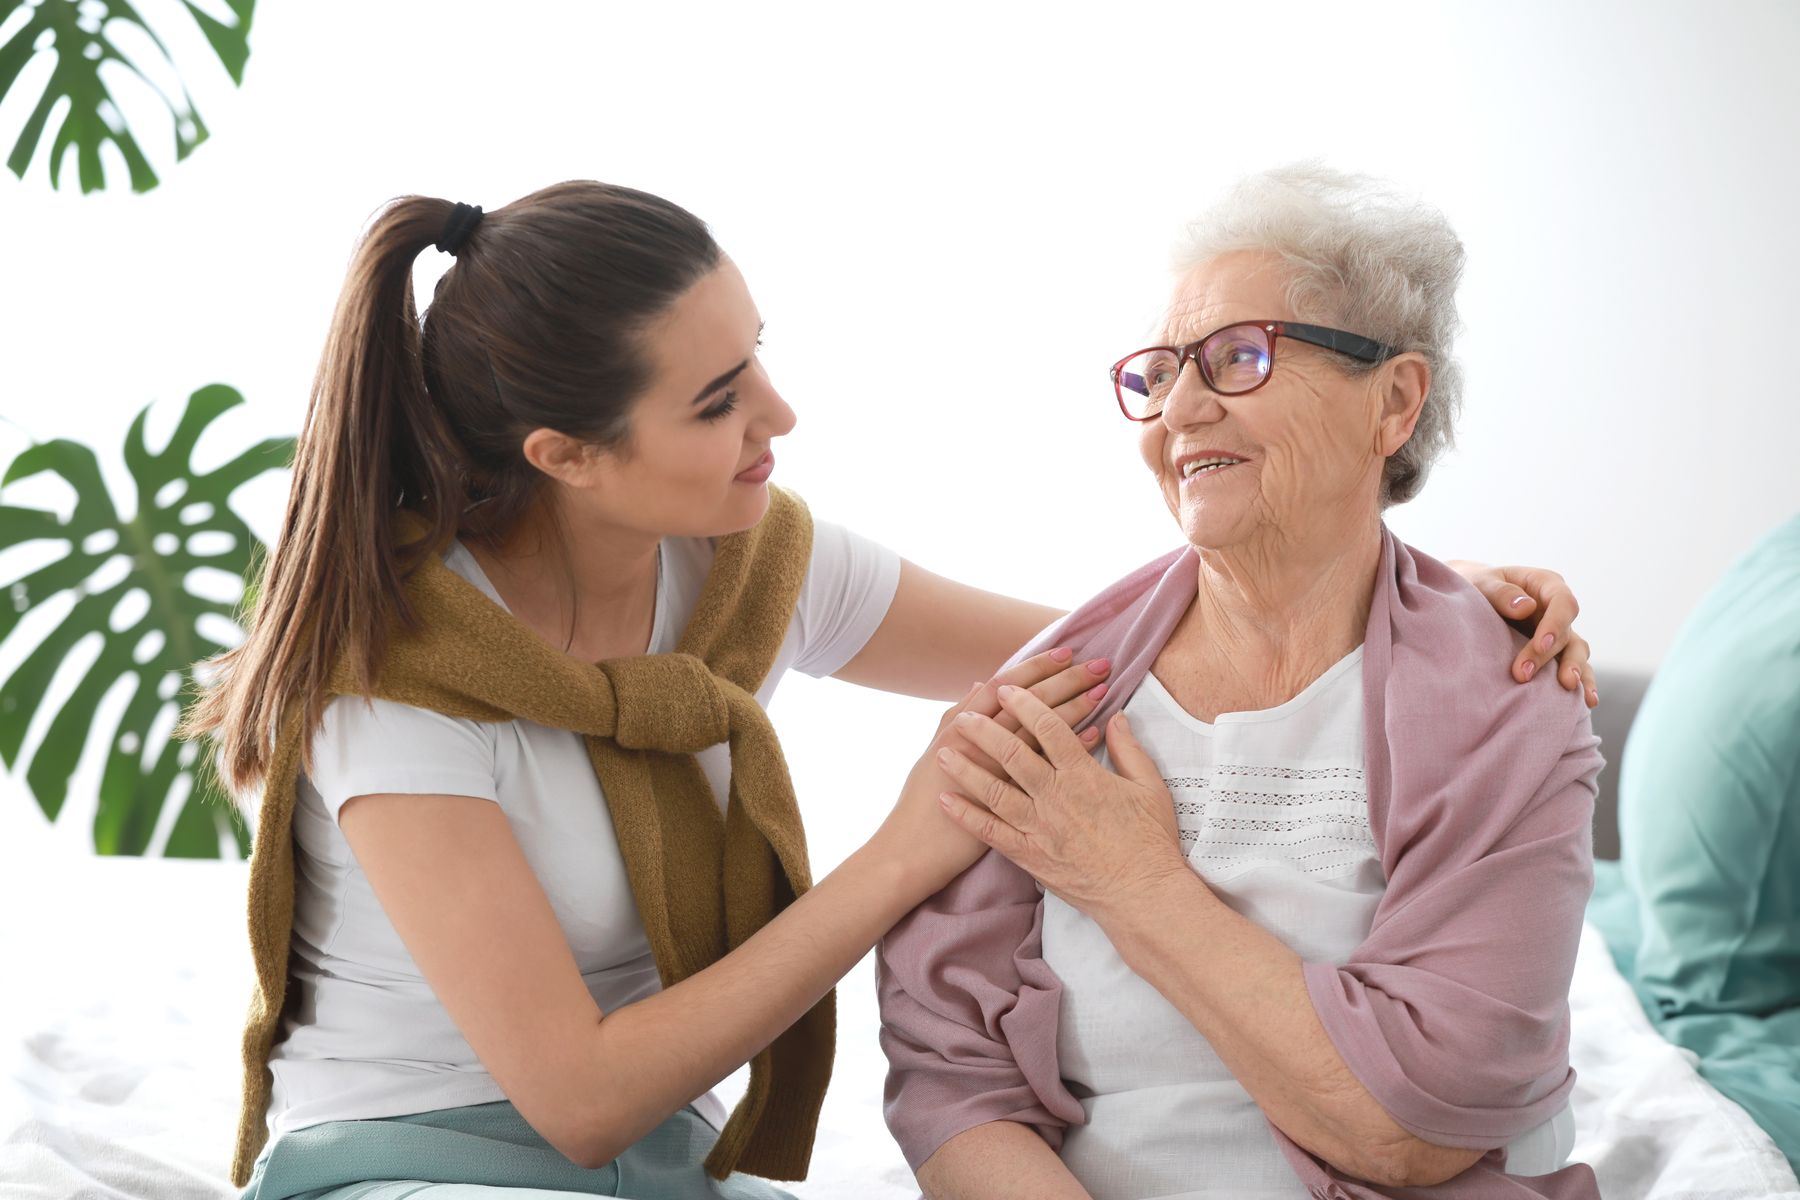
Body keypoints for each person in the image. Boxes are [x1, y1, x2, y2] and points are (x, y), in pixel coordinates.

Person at [183, 179, 1596, 1200]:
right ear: (568, 457)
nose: (779, 415)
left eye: (758, 355)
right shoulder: (399, 685)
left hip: (660, 1167)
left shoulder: (745, 572)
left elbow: (1137, 646)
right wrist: (910, 850)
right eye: (719, 398)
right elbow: (585, 1103)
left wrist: (1420, 590)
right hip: (424, 1161)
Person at [879, 166, 1604, 1200]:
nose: (1178, 408)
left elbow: (1421, 1127)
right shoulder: (1054, 694)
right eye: (1162, 371)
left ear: (1393, 402)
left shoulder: (1508, 699)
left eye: (1239, 357)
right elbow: (951, 1080)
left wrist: (1132, 883)